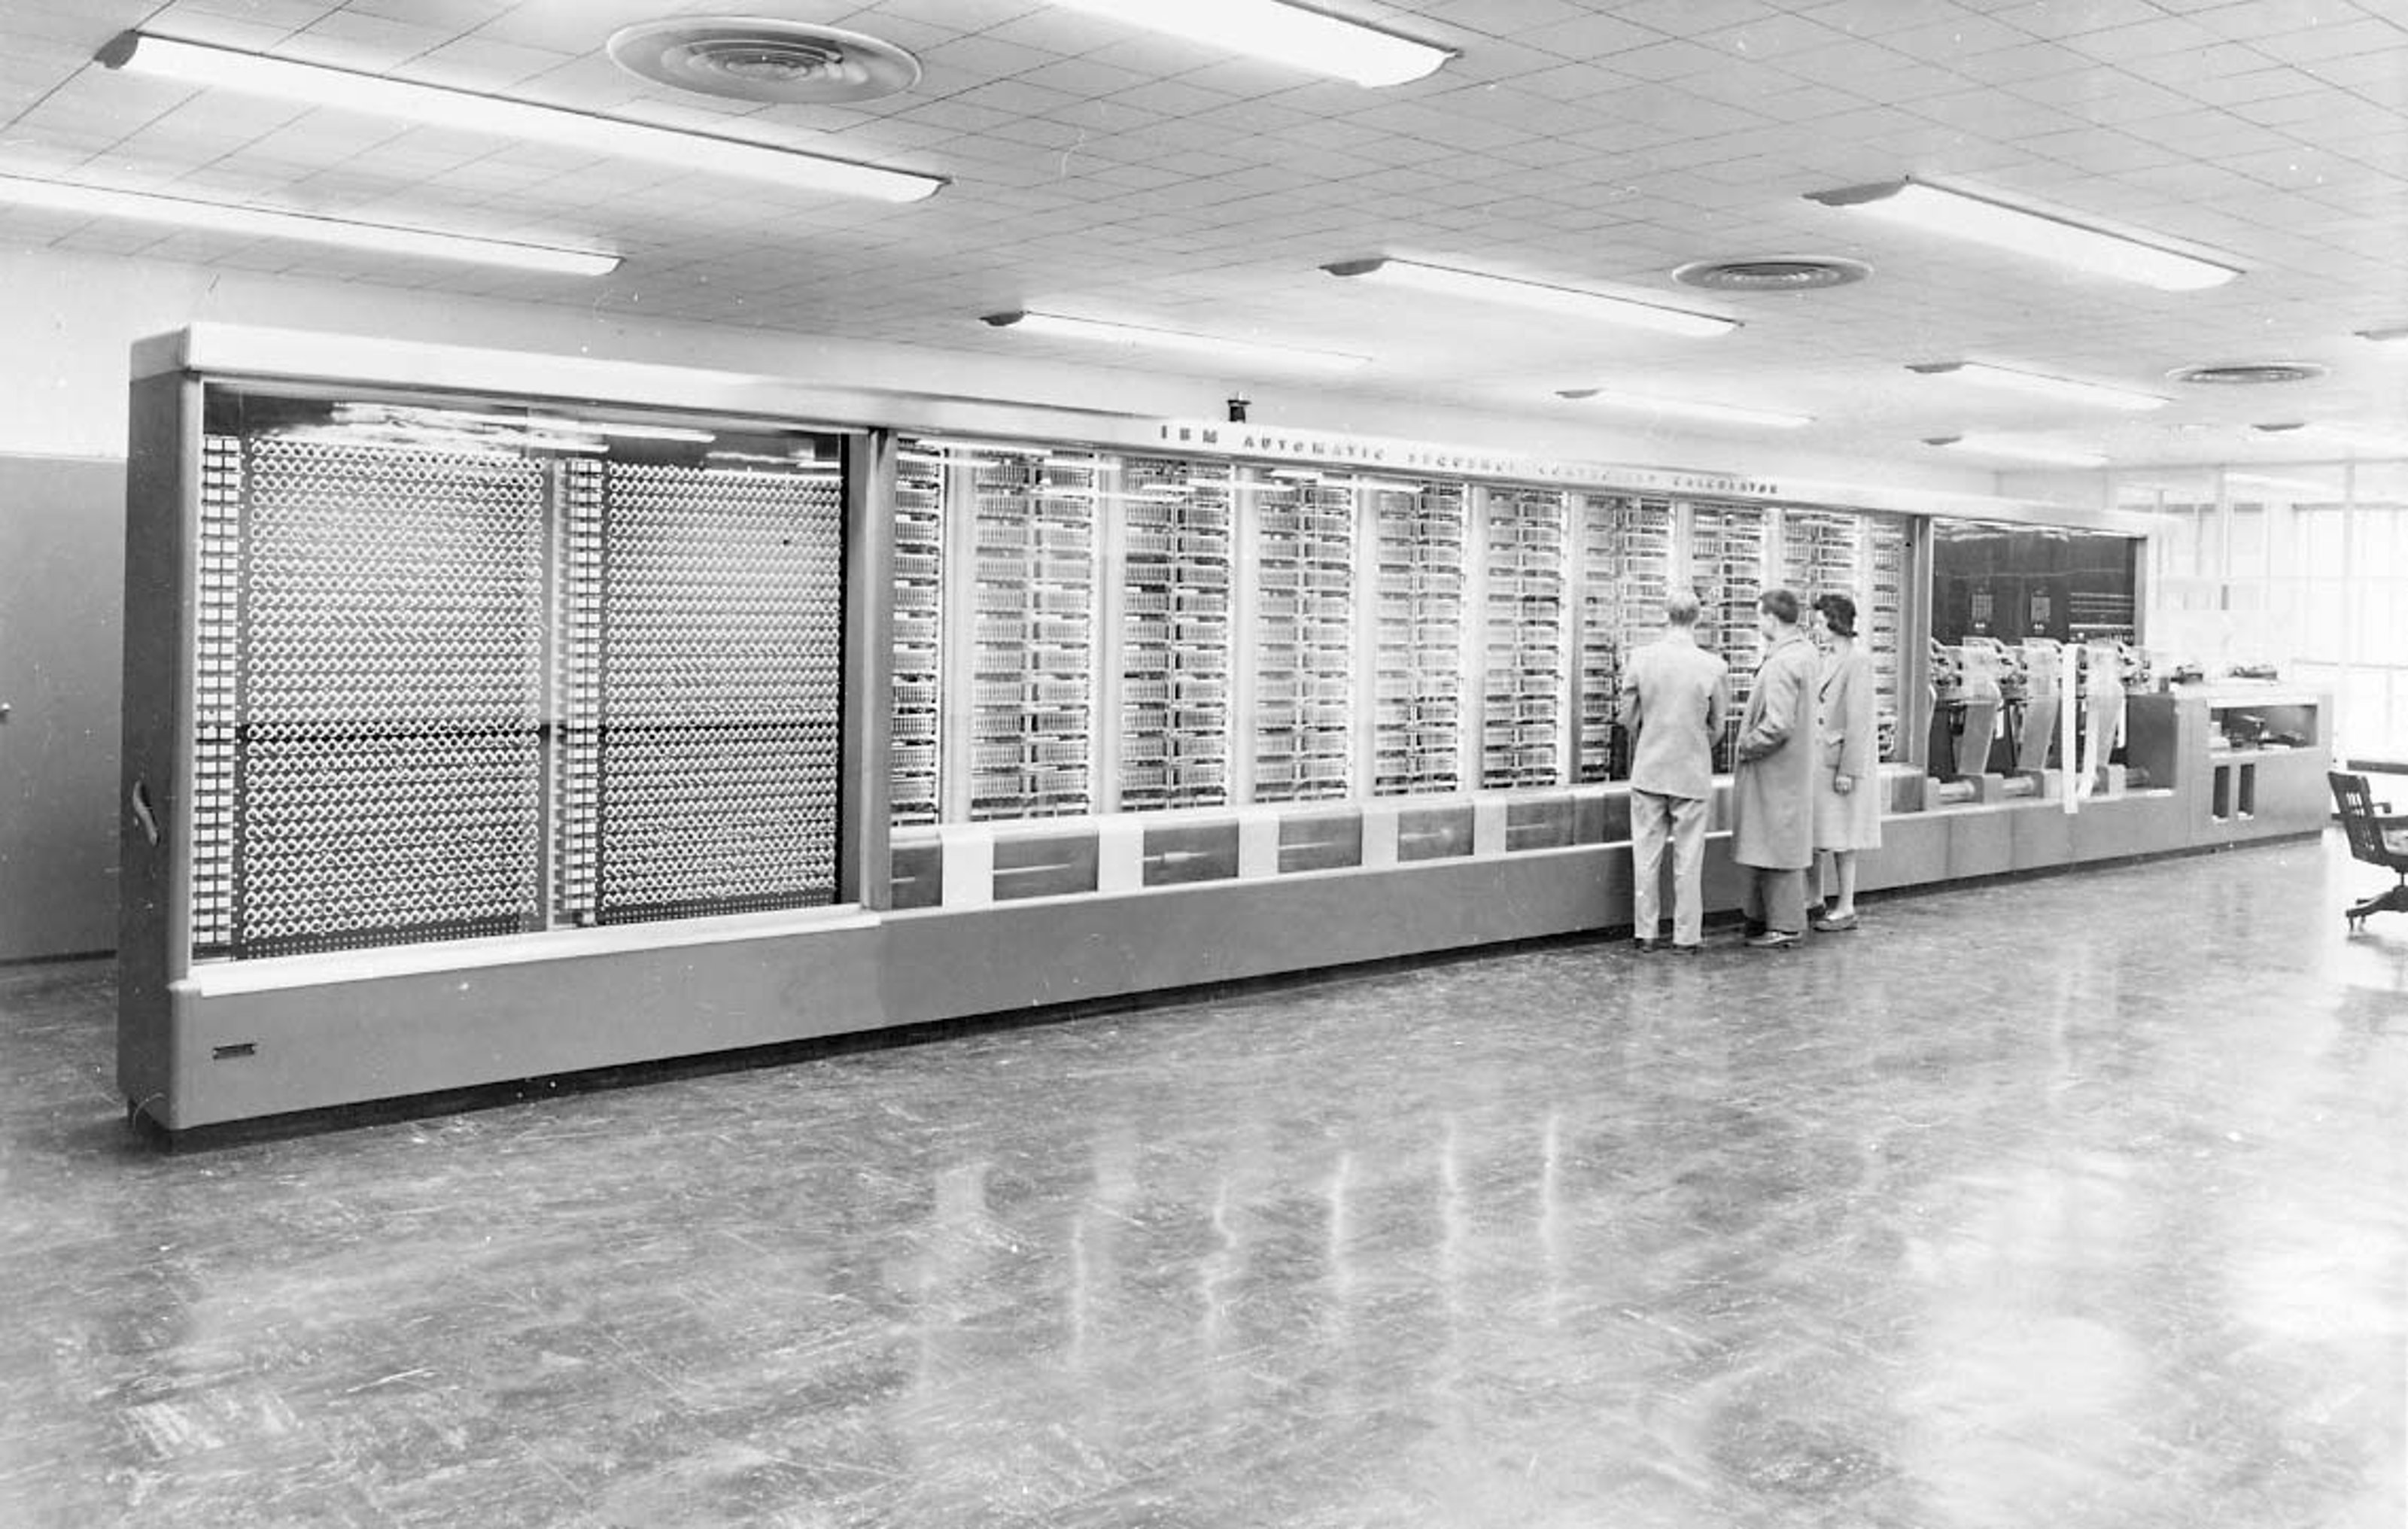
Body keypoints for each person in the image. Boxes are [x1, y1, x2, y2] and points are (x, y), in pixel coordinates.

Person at [1619, 591, 1729, 953]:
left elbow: (1627, 717)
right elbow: (1719, 726)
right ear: (1697, 619)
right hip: (1691, 772)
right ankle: (1686, 936)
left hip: (1649, 769)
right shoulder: (1714, 666)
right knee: (1688, 860)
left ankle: (1645, 933)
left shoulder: (1641, 659)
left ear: (1665, 615)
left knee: (1645, 857)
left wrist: (1651, 736)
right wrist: (1695, 744)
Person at [1729, 588, 1819, 949]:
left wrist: (1746, 746)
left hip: (1774, 771)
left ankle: (1783, 924)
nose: (1757, 623)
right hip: (1793, 770)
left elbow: (1778, 724)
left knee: (1775, 846)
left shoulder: (1782, 663)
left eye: (1759, 616)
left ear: (1770, 618)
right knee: (1777, 842)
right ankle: (1768, 918)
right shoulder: (1806, 653)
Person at [1808, 592, 1881, 932]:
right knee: (1822, 834)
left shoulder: (1858, 661)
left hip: (1837, 762)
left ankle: (1846, 906)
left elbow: (1860, 720)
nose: (1817, 628)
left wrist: (1849, 771)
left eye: (1822, 623)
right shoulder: (1826, 658)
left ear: (1837, 623)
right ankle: (1816, 899)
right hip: (1821, 760)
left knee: (1843, 838)